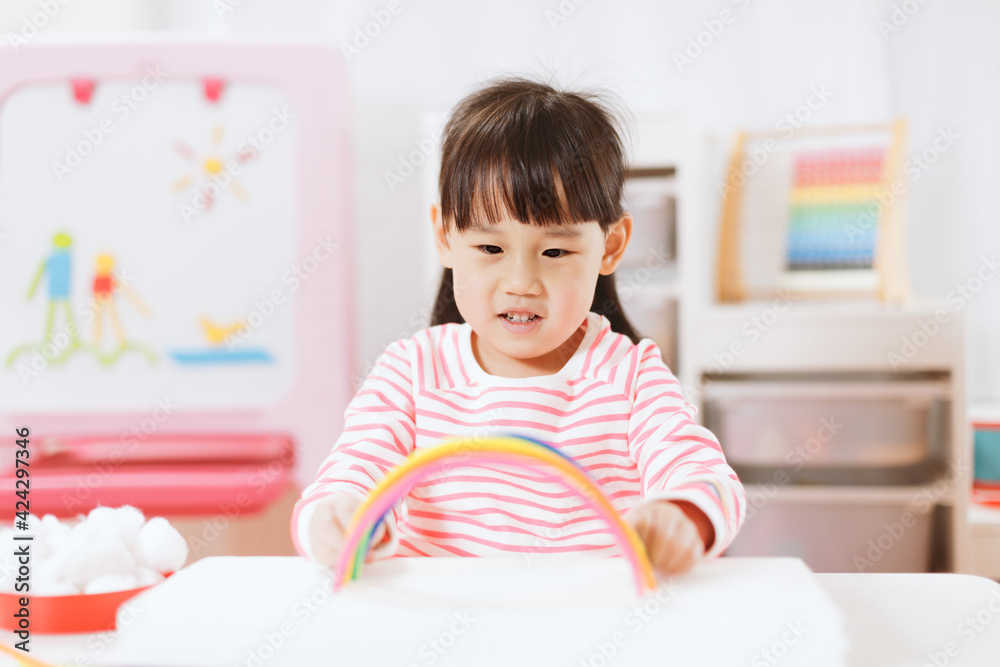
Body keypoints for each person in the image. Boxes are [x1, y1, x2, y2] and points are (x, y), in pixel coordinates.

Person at [291, 76, 745, 576]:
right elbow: (348, 475)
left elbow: (704, 476)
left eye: (555, 251)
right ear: (445, 236)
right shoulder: (413, 370)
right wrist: (335, 519)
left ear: (611, 247)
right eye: (490, 249)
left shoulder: (631, 376)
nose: (521, 282)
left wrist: (682, 515)